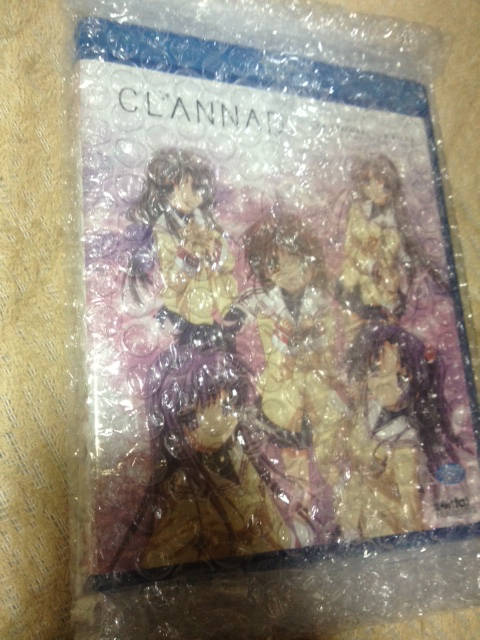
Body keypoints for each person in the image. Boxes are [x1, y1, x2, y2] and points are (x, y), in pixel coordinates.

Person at [242, 212, 350, 531]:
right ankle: (302, 521)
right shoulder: (266, 308)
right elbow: (273, 356)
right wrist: (286, 356)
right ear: (265, 270)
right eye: (276, 264)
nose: (288, 272)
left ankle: (346, 513)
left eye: (296, 261)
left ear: (311, 263)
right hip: (286, 396)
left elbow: (327, 352)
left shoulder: (322, 304)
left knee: (332, 457)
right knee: (294, 464)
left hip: (318, 390)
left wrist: (309, 350)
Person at [342, 322, 464, 539]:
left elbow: (411, 512)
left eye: (398, 376)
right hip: (351, 522)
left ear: (414, 378)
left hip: (384, 533)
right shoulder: (367, 411)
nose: (384, 383)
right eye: (376, 373)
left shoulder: (406, 448)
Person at [127, 147, 238, 348]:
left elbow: (227, 264)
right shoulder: (163, 229)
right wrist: (190, 256)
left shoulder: (204, 222)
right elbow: (173, 280)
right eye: (194, 187)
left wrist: (215, 252)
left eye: (202, 190)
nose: (199, 196)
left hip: (205, 309)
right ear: (173, 184)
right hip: (178, 311)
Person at [337, 154, 447, 323]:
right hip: (357, 285)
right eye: (368, 183)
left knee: (390, 323)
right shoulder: (357, 211)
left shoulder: (398, 218)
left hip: (388, 289)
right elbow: (350, 247)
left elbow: (403, 253)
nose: (374, 188)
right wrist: (371, 265)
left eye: (380, 183)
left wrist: (405, 268)